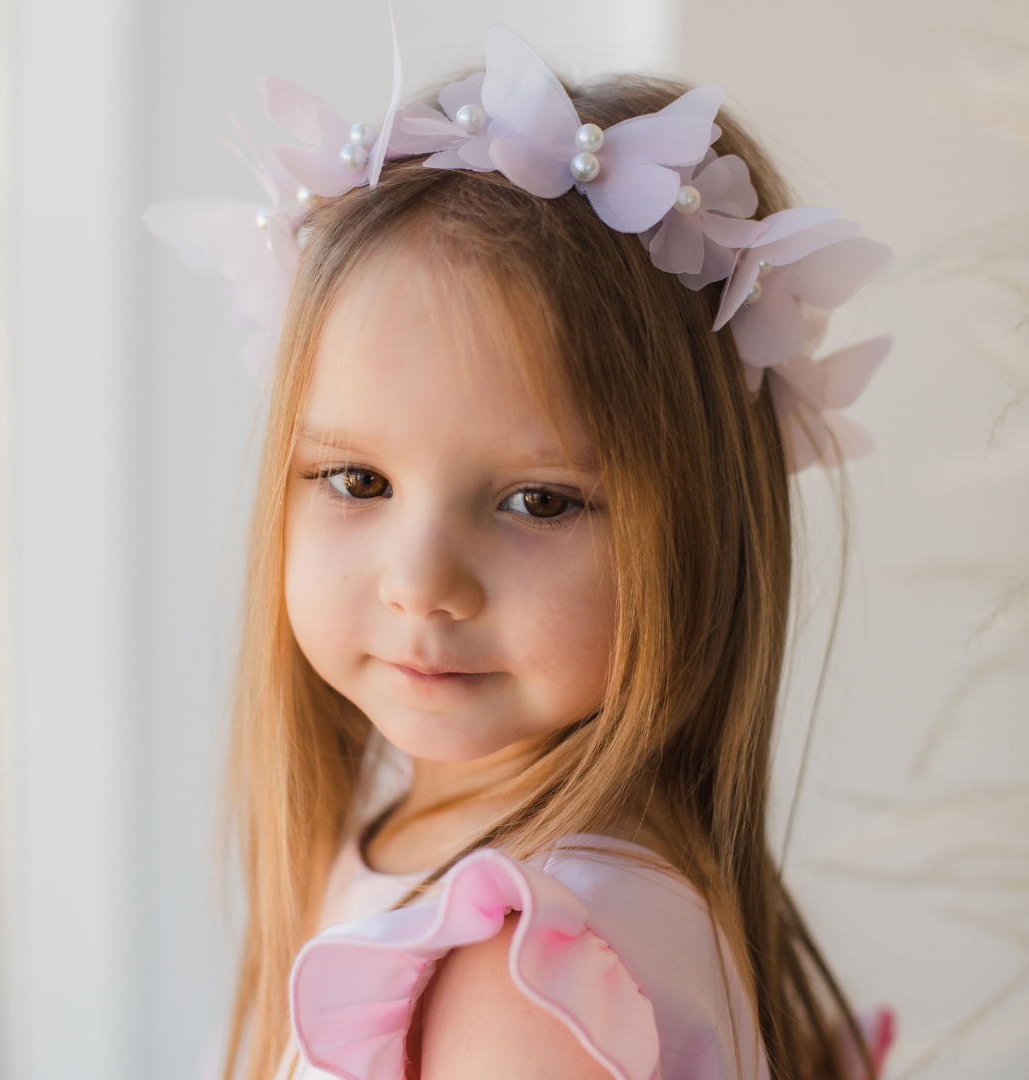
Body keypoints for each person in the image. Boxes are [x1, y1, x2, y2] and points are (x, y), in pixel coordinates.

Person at [147, 24, 896, 1080]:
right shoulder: (434, 829)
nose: (421, 585)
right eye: (358, 481)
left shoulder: (523, 985)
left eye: (537, 501)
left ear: (698, 523)